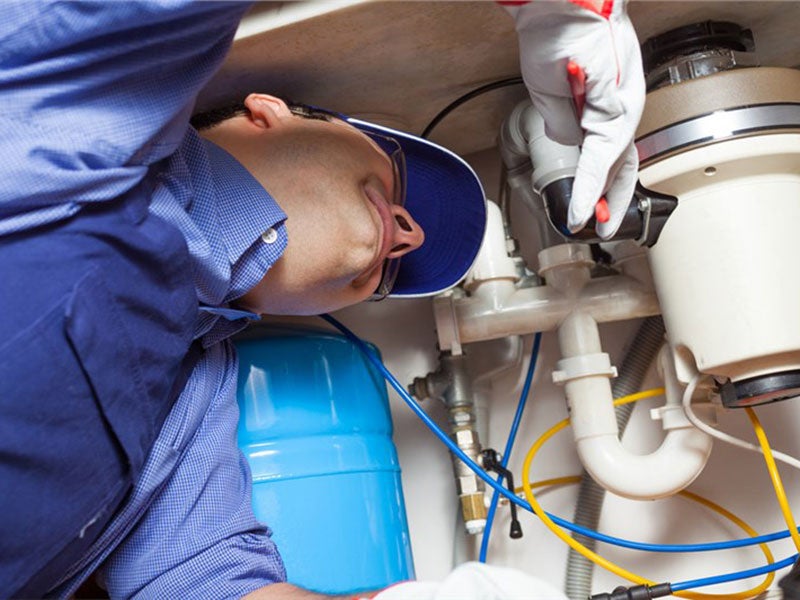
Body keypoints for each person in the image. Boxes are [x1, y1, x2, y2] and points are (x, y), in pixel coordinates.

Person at [0, 1, 643, 598]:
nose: (409, 233)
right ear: (266, 111)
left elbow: (202, 581)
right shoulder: (91, 105)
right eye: (393, 175)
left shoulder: (194, 394)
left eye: (393, 276)